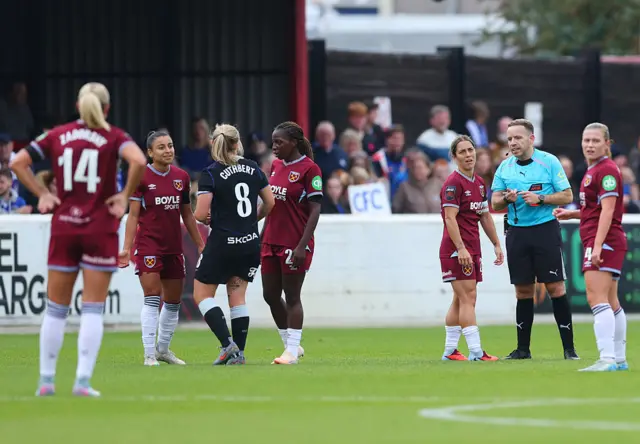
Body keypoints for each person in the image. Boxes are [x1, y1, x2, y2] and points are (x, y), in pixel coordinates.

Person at [9, 82, 147, 397]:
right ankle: (82, 382)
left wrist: (43, 192)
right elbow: (138, 160)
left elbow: (17, 161)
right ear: (107, 108)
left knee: (55, 309)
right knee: (92, 309)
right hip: (99, 227)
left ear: (78, 105)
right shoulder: (114, 136)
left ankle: (46, 381)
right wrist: (124, 196)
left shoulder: (57, 135)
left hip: (64, 226)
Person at [491, 119, 578, 360]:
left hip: (545, 230)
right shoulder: (504, 167)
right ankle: (522, 350)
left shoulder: (548, 162)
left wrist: (541, 199)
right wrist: (507, 199)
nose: (513, 143)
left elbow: (567, 195)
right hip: (517, 233)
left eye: (517, 138)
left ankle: (569, 349)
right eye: (509, 139)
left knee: (556, 287)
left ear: (531, 139)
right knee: (523, 290)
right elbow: (494, 202)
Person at [118, 130, 205, 366]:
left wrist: (200, 244)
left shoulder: (181, 177)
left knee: (174, 301)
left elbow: (186, 214)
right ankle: (148, 354)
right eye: (161, 147)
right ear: (149, 152)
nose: (168, 150)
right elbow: (133, 215)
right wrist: (126, 248)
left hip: (173, 247)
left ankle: (163, 349)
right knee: (152, 297)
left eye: (170, 145)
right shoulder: (141, 177)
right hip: (148, 246)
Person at [192, 124, 275, 365]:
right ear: (237, 143)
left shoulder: (210, 173)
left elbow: (199, 214)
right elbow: (269, 203)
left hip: (222, 245)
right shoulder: (252, 168)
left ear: (214, 144)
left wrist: (205, 215)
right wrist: (251, 220)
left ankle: (228, 345)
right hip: (249, 244)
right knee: (237, 297)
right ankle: (239, 352)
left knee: (202, 294)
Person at [554, 123, 628, 372]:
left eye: (596, 140)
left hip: (603, 240)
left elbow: (608, 211)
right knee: (611, 300)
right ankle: (618, 359)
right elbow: (595, 209)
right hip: (605, 239)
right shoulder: (593, 170)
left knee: (596, 297)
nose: (590, 145)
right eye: (586, 140)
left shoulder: (606, 171)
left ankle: (606, 358)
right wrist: (573, 214)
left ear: (608, 143)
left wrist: (596, 247)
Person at [261, 121, 323, 365]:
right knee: (270, 295)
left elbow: (316, 210)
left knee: (293, 295)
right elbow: (270, 206)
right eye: (273, 141)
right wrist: (258, 232)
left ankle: (292, 350)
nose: (274, 146)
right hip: (270, 240)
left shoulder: (310, 170)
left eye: (279, 142)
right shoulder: (275, 166)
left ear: (294, 143)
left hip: (294, 243)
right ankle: (291, 345)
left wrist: (301, 245)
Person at [440, 135, 504, 361]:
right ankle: (476, 351)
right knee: (469, 297)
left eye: (470, 150)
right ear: (454, 157)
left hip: (471, 248)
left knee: (460, 299)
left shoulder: (478, 183)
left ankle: (450, 351)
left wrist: (496, 243)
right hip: (457, 250)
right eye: (463, 152)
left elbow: (484, 215)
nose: (468, 155)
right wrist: (461, 248)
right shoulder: (453, 184)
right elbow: (450, 218)